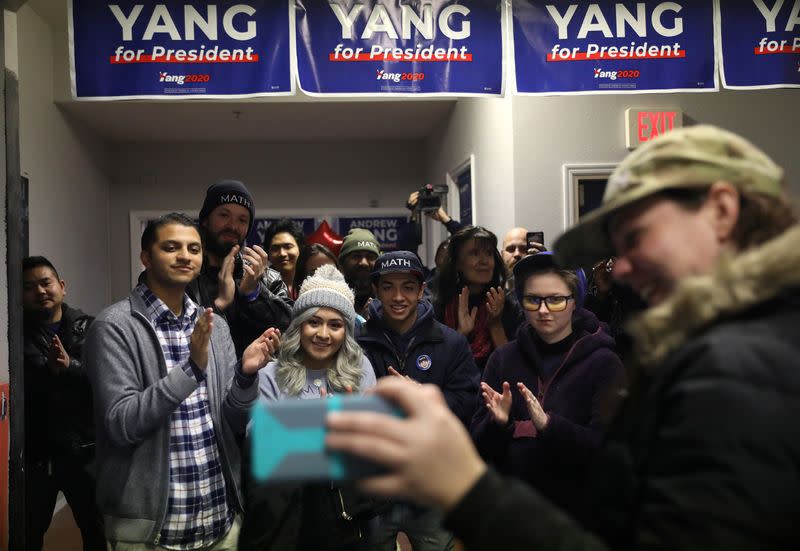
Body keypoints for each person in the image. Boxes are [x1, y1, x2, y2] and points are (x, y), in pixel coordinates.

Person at [325, 125, 800, 549]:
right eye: (532, 299)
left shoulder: (745, 369)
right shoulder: (720, 350)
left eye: (636, 236)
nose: (625, 267)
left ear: (720, 210)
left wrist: (466, 487)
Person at [85, 213, 278, 549]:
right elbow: (121, 423)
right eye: (171, 247)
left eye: (193, 248)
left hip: (219, 522)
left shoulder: (213, 325)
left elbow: (232, 421)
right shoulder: (114, 326)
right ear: (146, 257)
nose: (185, 256)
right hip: (149, 531)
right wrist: (191, 369)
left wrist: (246, 376)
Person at [471, 252, 623, 516]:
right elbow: (478, 447)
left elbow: (610, 453)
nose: (543, 310)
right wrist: (500, 425)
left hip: (579, 518)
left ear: (575, 301)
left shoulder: (604, 363)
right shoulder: (503, 359)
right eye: (533, 300)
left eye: (555, 300)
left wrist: (550, 427)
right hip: (512, 514)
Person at [240, 264, 377, 550]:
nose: (323, 334)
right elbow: (259, 441)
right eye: (314, 322)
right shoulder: (270, 373)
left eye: (335, 325)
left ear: (347, 331)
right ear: (299, 325)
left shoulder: (360, 368)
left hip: (346, 518)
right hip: (286, 521)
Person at [357, 251, 480, 550]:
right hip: (376, 486)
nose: (398, 297)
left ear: (422, 290)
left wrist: (422, 399)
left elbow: (468, 401)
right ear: (376, 290)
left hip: (429, 482)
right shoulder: (357, 343)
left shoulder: (450, 342)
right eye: (388, 287)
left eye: (408, 287)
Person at [22, 256, 104, 551]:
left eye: (45, 283)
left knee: (96, 532)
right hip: (38, 457)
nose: (40, 291)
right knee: (28, 533)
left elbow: (107, 379)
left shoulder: (91, 327)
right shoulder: (16, 336)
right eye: (29, 287)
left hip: (85, 452)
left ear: (62, 286)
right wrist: (48, 371)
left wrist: (70, 367)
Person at [189, 179, 292, 356]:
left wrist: (254, 294)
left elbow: (293, 329)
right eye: (224, 215)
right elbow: (174, 337)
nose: (233, 226)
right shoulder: (185, 275)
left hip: (256, 381)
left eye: (242, 219)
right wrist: (219, 304)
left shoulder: (266, 277)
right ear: (205, 220)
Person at [431, 226, 524, 370]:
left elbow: (513, 368)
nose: (484, 261)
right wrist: (461, 334)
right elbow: (435, 368)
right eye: (474, 253)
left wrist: (495, 325)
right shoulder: (439, 305)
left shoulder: (508, 303)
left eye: (488, 253)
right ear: (457, 263)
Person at [338, 228, 381, 316]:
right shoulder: (330, 299)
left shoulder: (389, 300)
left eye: (370, 257)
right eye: (356, 256)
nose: (364, 263)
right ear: (342, 264)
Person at [264, 218, 306, 300]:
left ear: (300, 249)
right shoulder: (260, 286)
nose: (282, 253)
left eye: (288, 247)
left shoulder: (311, 282)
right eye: (275, 248)